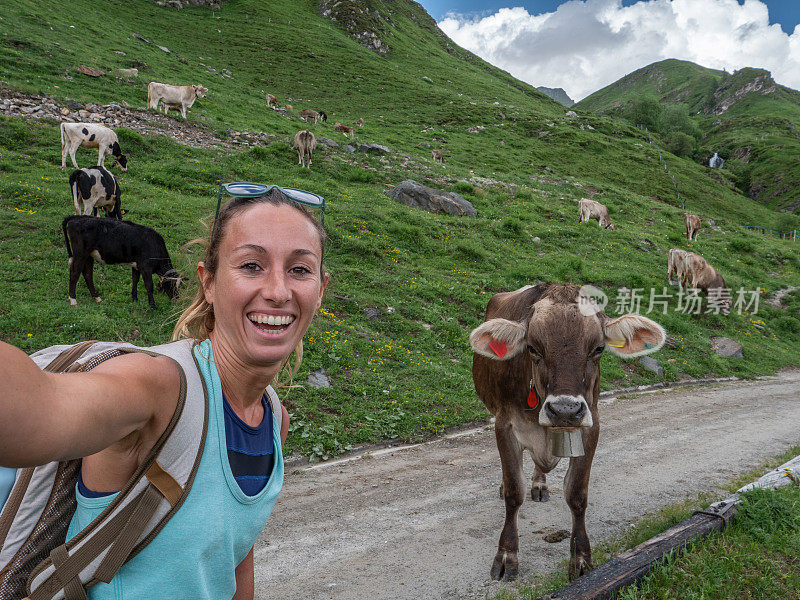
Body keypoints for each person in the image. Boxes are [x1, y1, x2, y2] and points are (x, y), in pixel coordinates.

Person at [0, 187, 328, 599]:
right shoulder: (157, 386)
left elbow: (233, 556)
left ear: (321, 289)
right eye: (251, 265)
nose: (279, 291)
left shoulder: (274, 420)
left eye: (300, 270)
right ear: (208, 282)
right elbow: (37, 411)